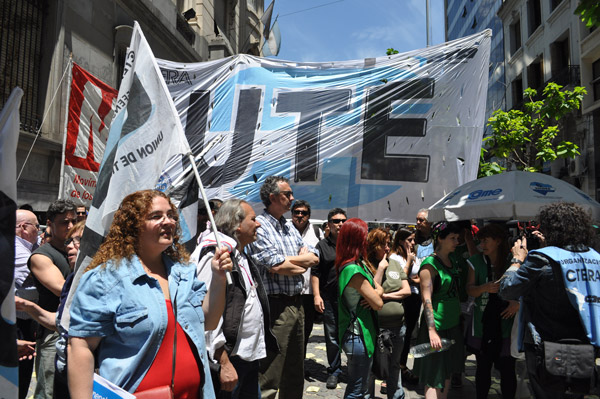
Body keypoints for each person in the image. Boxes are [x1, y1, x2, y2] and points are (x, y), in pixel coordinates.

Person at [67, 190, 232, 398]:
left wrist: (219, 278)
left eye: (171, 215)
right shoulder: (105, 279)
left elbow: (207, 322)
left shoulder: (184, 272)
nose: (169, 221)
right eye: (156, 216)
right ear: (133, 226)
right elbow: (80, 347)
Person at [499, 202, 600, 399]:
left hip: (545, 347)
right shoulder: (595, 259)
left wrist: (517, 260)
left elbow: (506, 290)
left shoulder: (541, 260)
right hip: (584, 346)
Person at [193, 199, 278, 399]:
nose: (259, 224)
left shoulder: (240, 256)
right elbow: (205, 315)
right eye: (253, 219)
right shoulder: (215, 256)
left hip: (247, 359)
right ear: (237, 225)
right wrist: (222, 362)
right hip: (228, 360)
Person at [246, 176, 319, 399]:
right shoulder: (261, 226)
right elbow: (275, 264)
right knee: (271, 371)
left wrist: (289, 263)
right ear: (273, 197)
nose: (292, 198)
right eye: (287, 194)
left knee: (294, 371)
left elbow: (313, 257)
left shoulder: (288, 227)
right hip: (276, 306)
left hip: (298, 306)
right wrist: (294, 263)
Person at [28, 199, 76, 399]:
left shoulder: (75, 252)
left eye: (74, 221)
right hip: (52, 334)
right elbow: (61, 290)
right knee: (49, 391)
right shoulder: (41, 256)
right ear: (50, 224)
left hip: (77, 331)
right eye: (65, 222)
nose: (71, 226)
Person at [466, 224, 518, 399]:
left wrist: (516, 304)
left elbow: (524, 290)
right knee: (483, 367)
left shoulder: (513, 261)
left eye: (486, 240)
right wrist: (484, 288)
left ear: (498, 241)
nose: (482, 245)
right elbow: (469, 289)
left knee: (507, 368)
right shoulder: (476, 262)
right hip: (483, 324)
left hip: (507, 326)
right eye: (480, 241)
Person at [414, 221, 464, 399]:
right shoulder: (430, 264)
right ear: (440, 239)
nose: (456, 242)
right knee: (434, 377)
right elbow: (426, 299)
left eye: (457, 238)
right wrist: (431, 330)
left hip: (452, 324)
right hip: (436, 326)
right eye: (452, 238)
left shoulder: (453, 259)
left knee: (448, 372)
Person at [336, 218, 383, 399]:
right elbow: (378, 303)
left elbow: (378, 289)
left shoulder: (357, 264)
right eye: (365, 234)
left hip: (360, 335)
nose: (368, 239)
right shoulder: (353, 270)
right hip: (357, 336)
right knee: (357, 390)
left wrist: (375, 292)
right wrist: (375, 294)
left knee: (361, 387)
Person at [370, 228, 411, 399]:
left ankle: (396, 396)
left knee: (395, 365)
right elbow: (371, 292)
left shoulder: (394, 263)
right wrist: (380, 269)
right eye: (384, 244)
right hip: (376, 327)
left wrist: (385, 295)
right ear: (374, 245)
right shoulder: (367, 264)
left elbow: (407, 290)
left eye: (388, 244)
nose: (388, 248)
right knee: (372, 367)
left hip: (398, 326)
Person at [312, 208, 347, 389]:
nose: (340, 224)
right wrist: (317, 295)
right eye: (336, 221)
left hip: (350, 299)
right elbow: (315, 272)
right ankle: (334, 370)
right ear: (329, 224)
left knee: (351, 334)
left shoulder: (351, 245)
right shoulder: (321, 246)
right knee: (332, 336)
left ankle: (355, 368)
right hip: (329, 298)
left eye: (343, 220)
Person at [290, 199, 323, 367]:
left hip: (309, 292)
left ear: (309, 215)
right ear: (292, 214)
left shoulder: (317, 232)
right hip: (289, 290)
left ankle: (299, 366)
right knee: (288, 330)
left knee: (305, 331)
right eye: (296, 212)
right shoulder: (285, 230)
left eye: (303, 212)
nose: (300, 216)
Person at [388, 228, 420, 386]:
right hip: (402, 299)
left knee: (407, 335)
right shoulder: (395, 257)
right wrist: (408, 263)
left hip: (414, 297)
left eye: (414, 240)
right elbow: (400, 278)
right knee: (398, 334)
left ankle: (402, 366)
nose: (413, 243)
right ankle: (392, 370)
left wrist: (412, 279)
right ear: (401, 241)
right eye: (409, 240)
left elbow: (418, 277)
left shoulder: (414, 256)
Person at [14, 209, 40, 399]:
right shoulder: (17, 251)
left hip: (24, 323)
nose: (39, 232)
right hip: (14, 326)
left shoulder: (29, 248)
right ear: (24, 227)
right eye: (37, 227)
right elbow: (48, 281)